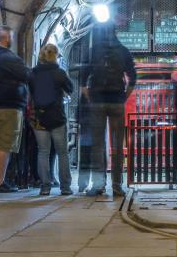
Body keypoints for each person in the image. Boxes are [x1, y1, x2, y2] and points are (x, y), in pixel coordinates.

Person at [82, 21, 137, 197]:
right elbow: (132, 77)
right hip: (116, 102)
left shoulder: (94, 50)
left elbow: (84, 77)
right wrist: (124, 96)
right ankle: (117, 186)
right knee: (117, 146)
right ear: (116, 32)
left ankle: (98, 186)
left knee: (98, 145)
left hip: (97, 101)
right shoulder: (123, 50)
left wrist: (90, 96)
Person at [0, 25, 29, 193]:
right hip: (9, 107)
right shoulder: (9, 58)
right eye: (10, 36)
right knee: (4, 145)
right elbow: (27, 75)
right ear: (7, 39)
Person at [28, 43, 74, 196]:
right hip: (57, 118)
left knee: (43, 152)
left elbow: (31, 91)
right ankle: (65, 188)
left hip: (39, 118)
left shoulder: (33, 73)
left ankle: (45, 187)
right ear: (55, 56)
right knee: (62, 153)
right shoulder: (59, 73)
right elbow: (70, 89)